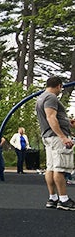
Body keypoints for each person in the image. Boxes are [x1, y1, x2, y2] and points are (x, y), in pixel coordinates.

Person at [35, 76, 75, 211]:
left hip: (48, 137)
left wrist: (68, 122)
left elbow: (53, 116)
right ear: (59, 86)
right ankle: (63, 199)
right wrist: (63, 137)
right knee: (60, 168)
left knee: (50, 168)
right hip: (56, 138)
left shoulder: (41, 98)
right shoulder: (51, 97)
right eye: (61, 88)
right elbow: (51, 117)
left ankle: (53, 198)